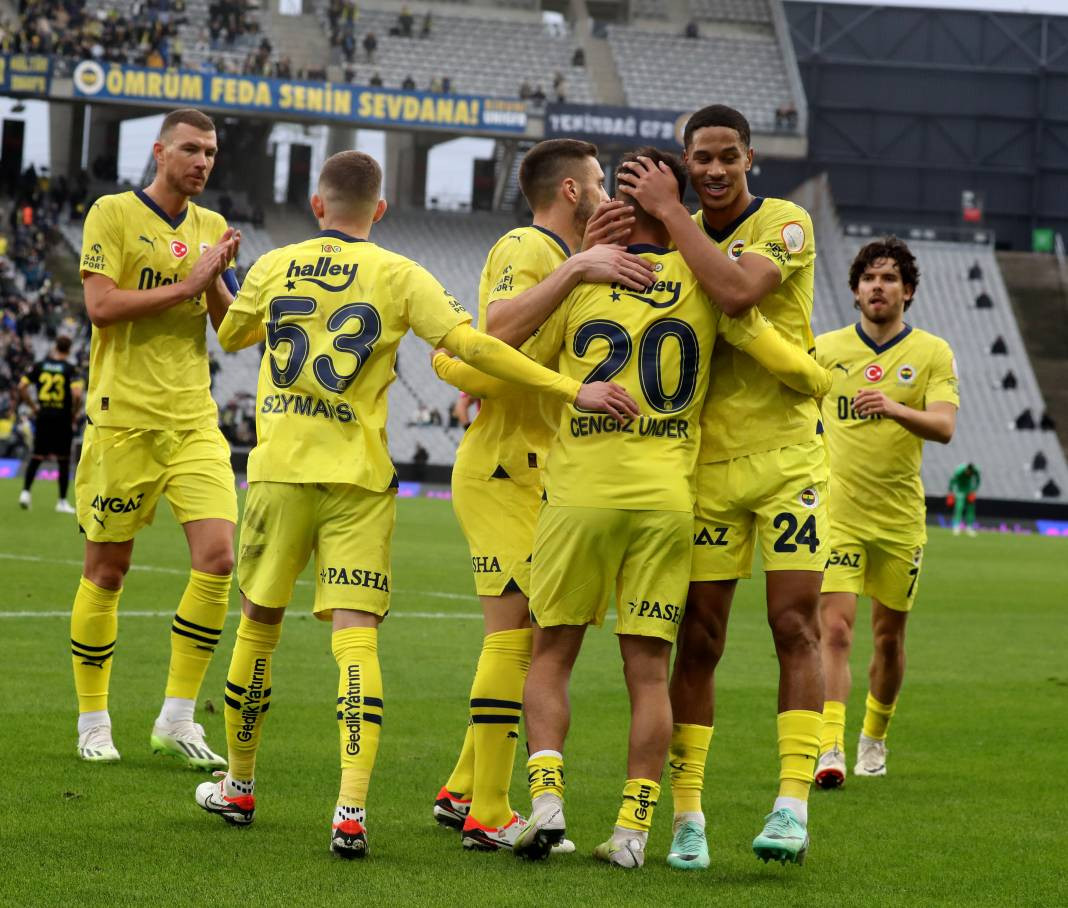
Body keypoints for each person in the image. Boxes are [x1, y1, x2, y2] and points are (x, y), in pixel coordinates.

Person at [192, 150, 637, 859]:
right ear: (381, 209)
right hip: (362, 476)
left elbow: (234, 332)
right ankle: (351, 811)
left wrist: (215, 277)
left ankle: (239, 786)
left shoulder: (274, 267)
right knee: (357, 642)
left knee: (258, 626)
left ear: (316, 205)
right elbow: (471, 343)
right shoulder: (401, 273)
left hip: (276, 471)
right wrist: (567, 388)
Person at [478, 147, 831, 869]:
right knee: (647, 668)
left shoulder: (581, 280)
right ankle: (636, 831)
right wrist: (823, 377)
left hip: (579, 492)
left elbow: (496, 339)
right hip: (668, 498)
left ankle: (545, 804)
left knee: (551, 655)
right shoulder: (703, 286)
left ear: (615, 213)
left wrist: (577, 260)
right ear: (674, 206)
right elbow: (791, 362)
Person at [428, 138, 654, 851]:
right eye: (598, 181)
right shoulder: (530, 246)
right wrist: (582, 266)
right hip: (505, 468)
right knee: (517, 630)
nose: (607, 194)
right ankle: (490, 809)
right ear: (571, 193)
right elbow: (497, 333)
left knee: (533, 630)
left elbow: (478, 357)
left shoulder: (562, 258)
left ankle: (462, 787)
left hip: (536, 467)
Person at [618, 105, 828, 867]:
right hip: (704, 464)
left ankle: (791, 806)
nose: (713, 170)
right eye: (700, 157)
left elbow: (739, 293)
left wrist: (671, 211)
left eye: (727, 157)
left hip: (785, 458)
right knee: (698, 639)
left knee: (794, 625)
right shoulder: (673, 238)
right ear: (684, 157)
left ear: (750, 160)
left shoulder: (786, 222)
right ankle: (687, 818)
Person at [70, 108, 241, 767]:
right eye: (191, 150)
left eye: (212, 153)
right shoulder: (111, 213)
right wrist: (189, 283)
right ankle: (93, 720)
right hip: (123, 420)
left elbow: (228, 330)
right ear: (160, 151)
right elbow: (101, 307)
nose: (202, 162)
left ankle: (176, 717)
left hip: (193, 419)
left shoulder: (210, 228)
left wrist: (223, 276)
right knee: (108, 570)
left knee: (219, 559)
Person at [813, 237, 958, 788]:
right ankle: (829, 746)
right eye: (870, 278)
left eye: (890, 278)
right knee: (836, 631)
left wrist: (895, 407)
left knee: (888, 638)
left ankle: (873, 737)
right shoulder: (824, 350)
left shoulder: (932, 353)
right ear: (854, 291)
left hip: (899, 520)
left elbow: (944, 427)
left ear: (909, 291)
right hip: (838, 514)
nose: (879, 286)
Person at [18, 334, 82, 513]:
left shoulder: (40, 366)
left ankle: (25, 492)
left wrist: (33, 406)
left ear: (55, 347)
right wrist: (74, 412)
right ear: (69, 350)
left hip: (43, 415)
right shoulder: (71, 369)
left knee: (37, 455)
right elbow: (77, 394)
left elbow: (21, 387)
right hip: (62, 418)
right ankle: (61, 501)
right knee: (63, 460)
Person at [947, 462, 980, 536]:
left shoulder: (976, 471)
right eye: (968, 472)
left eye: (971, 473)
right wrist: (950, 492)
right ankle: (956, 526)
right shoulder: (959, 471)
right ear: (966, 470)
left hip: (969, 489)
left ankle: (969, 527)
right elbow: (952, 481)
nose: (969, 474)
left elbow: (978, 480)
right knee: (959, 507)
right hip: (960, 489)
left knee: (971, 508)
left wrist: (974, 491)